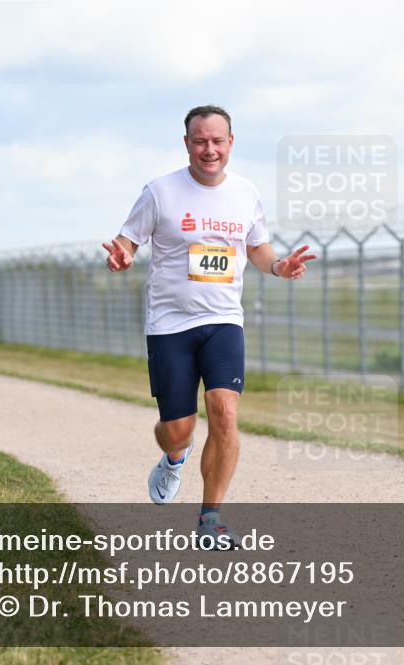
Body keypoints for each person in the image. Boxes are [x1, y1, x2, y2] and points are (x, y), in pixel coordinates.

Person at [102, 105, 316, 548]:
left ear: (231, 143)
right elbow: (128, 240)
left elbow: (257, 249)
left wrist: (279, 266)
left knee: (224, 410)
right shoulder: (160, 191)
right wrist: (121, 255)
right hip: (170, 324)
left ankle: (211, 518)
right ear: (187, 144)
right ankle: (174, 455)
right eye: (200, 140)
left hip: (222, 320)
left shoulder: (245, 193)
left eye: (217, 140)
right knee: (177, 428)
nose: (209, 149)